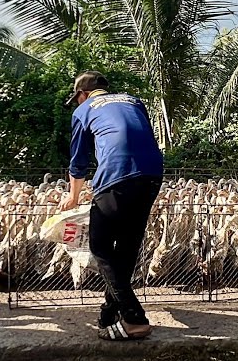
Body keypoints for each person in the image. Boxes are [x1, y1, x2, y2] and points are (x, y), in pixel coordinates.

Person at [57, 71, 164, 341]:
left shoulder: (83, 110)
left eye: (77, 98)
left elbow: (79, 161)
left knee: (101, 246)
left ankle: (133, 318)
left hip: (116, 175)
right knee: (126, 248)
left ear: (82, 95)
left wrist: (73, 195)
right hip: (152, 175)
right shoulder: (133, 101)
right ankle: (109, 313)